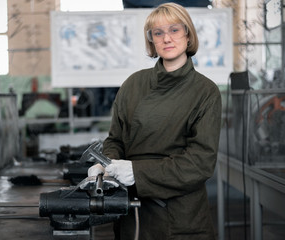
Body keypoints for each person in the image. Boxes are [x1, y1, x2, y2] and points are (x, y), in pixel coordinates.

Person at [88, 2, 222, 240]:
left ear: (188, 36)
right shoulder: (133, 84)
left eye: (174, 30)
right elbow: (116, 139)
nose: (166, 38)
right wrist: (107, 167)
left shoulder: (205, 92)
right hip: (132, 210)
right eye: (157, 33)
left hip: (180, 217)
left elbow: (200, 163)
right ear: (151, 40)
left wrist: (138, 172)